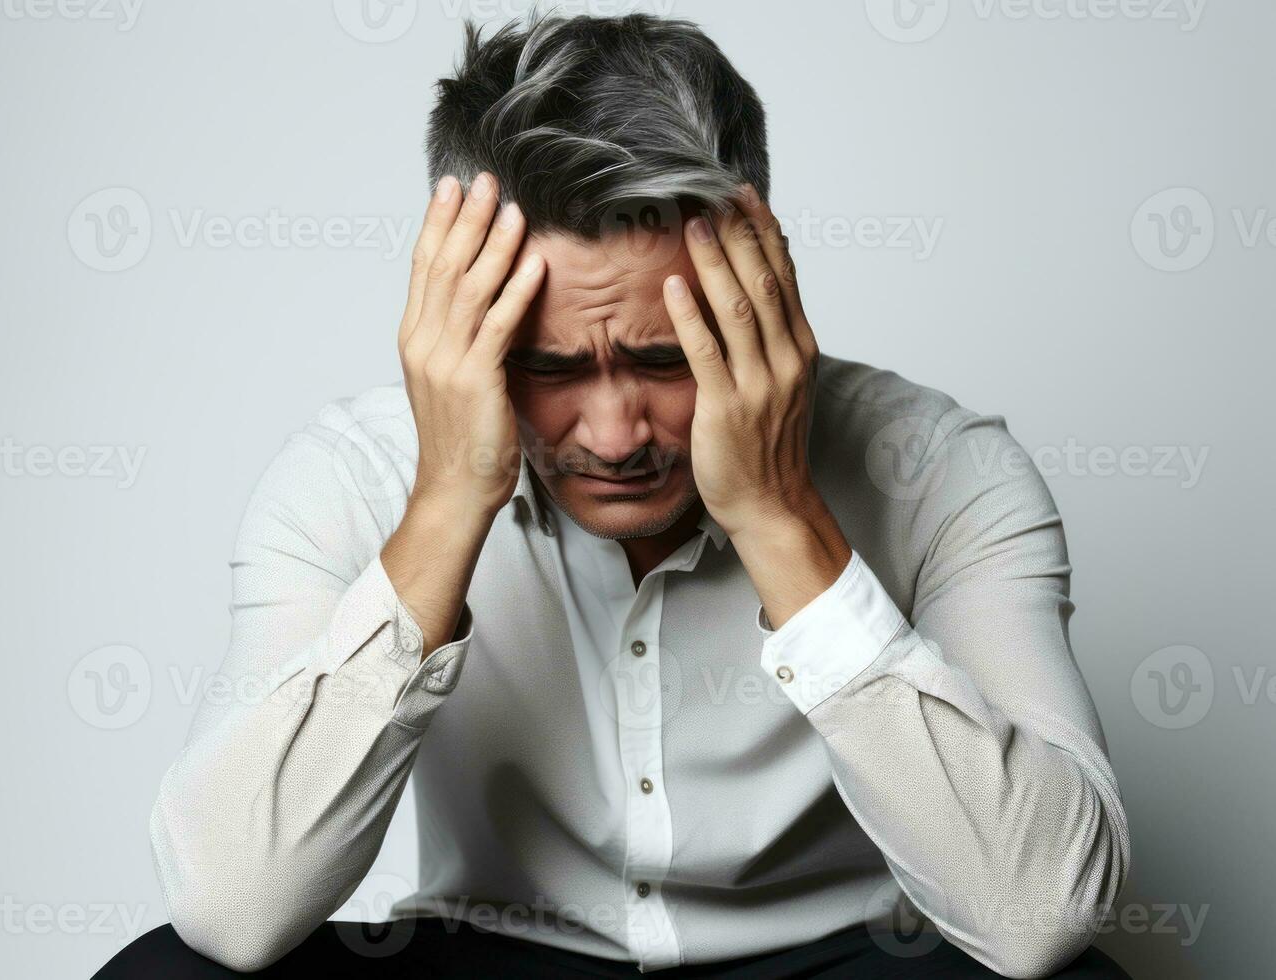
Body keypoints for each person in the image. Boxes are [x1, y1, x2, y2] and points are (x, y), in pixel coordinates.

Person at [99, 13, 1131, 979]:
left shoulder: (940, 470)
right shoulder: (349, 476)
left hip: (845, 952)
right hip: (492, 948)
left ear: (759, 290)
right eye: (549, 368)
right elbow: (229, 909)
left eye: (662, 358)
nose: (613, 435)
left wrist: (777, 512)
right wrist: (450, 500)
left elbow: (1040, 914)